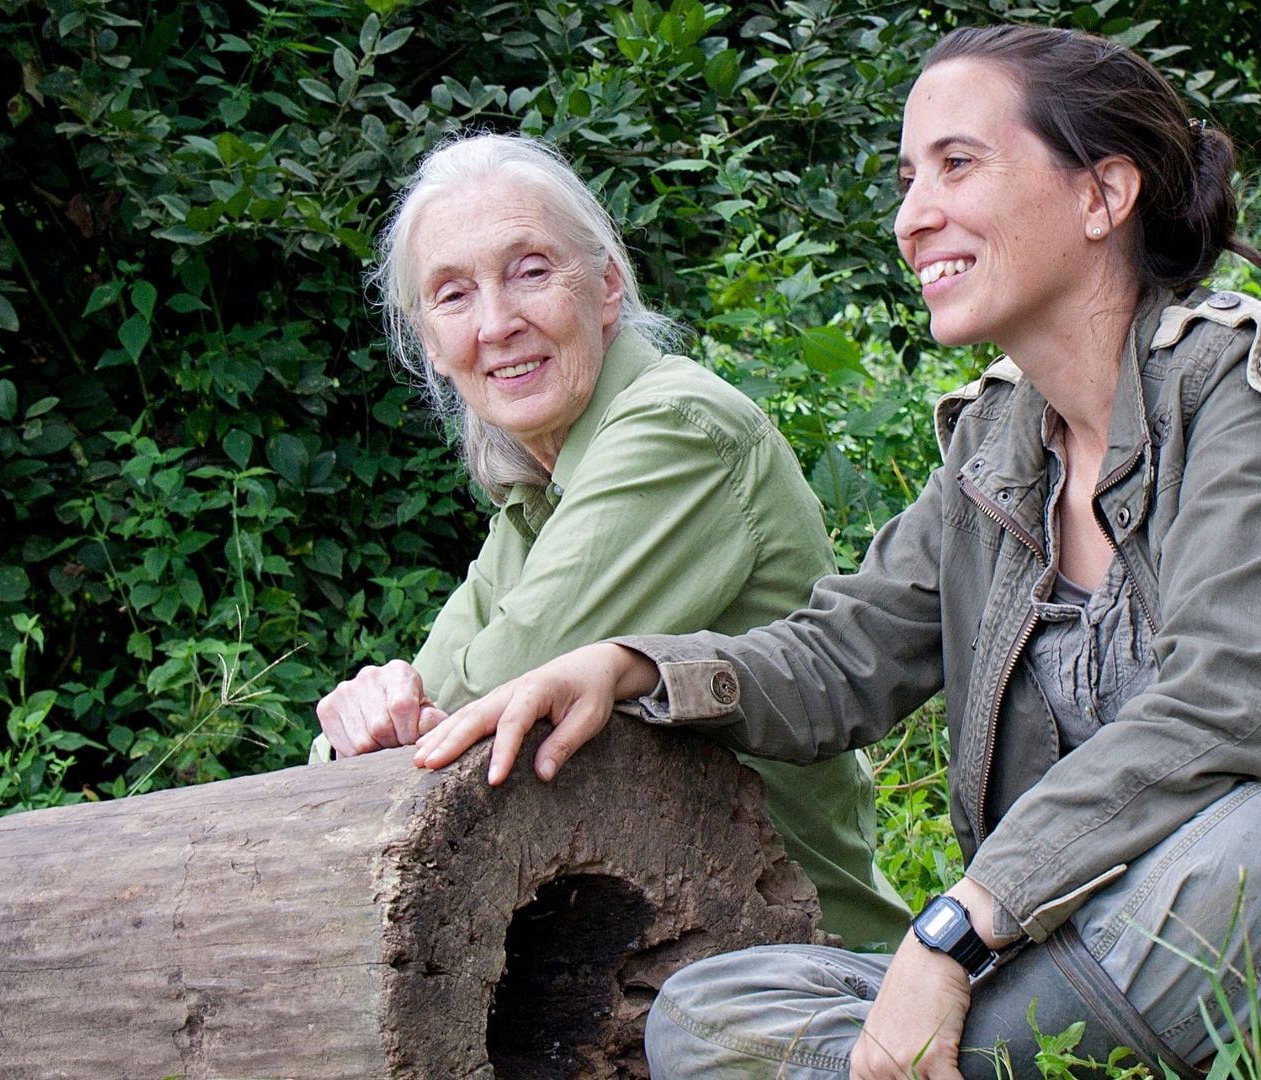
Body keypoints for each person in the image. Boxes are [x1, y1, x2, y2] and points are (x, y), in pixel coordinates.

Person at [411, 27, 1261, 1080]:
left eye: (956, 166)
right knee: (707, 1012)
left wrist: (955, 930)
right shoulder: (997, 446)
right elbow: (839, 656)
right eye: (908, 180)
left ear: (1103, 193)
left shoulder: (1248, 393)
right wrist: (633, 665)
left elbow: (1232, 707)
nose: (913, 217)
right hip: (1075, 950)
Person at [313, 132, 910, 950]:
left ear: (605, 286)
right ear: (430, 346)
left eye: (531, 271)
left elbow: (466, 717)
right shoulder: (536, 497)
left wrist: (388, 734)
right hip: (654, 959)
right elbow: (405, 735)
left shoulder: (678, 431)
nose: (497, 323)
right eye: (453, 295)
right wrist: (356, 723)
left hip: (806, 964)